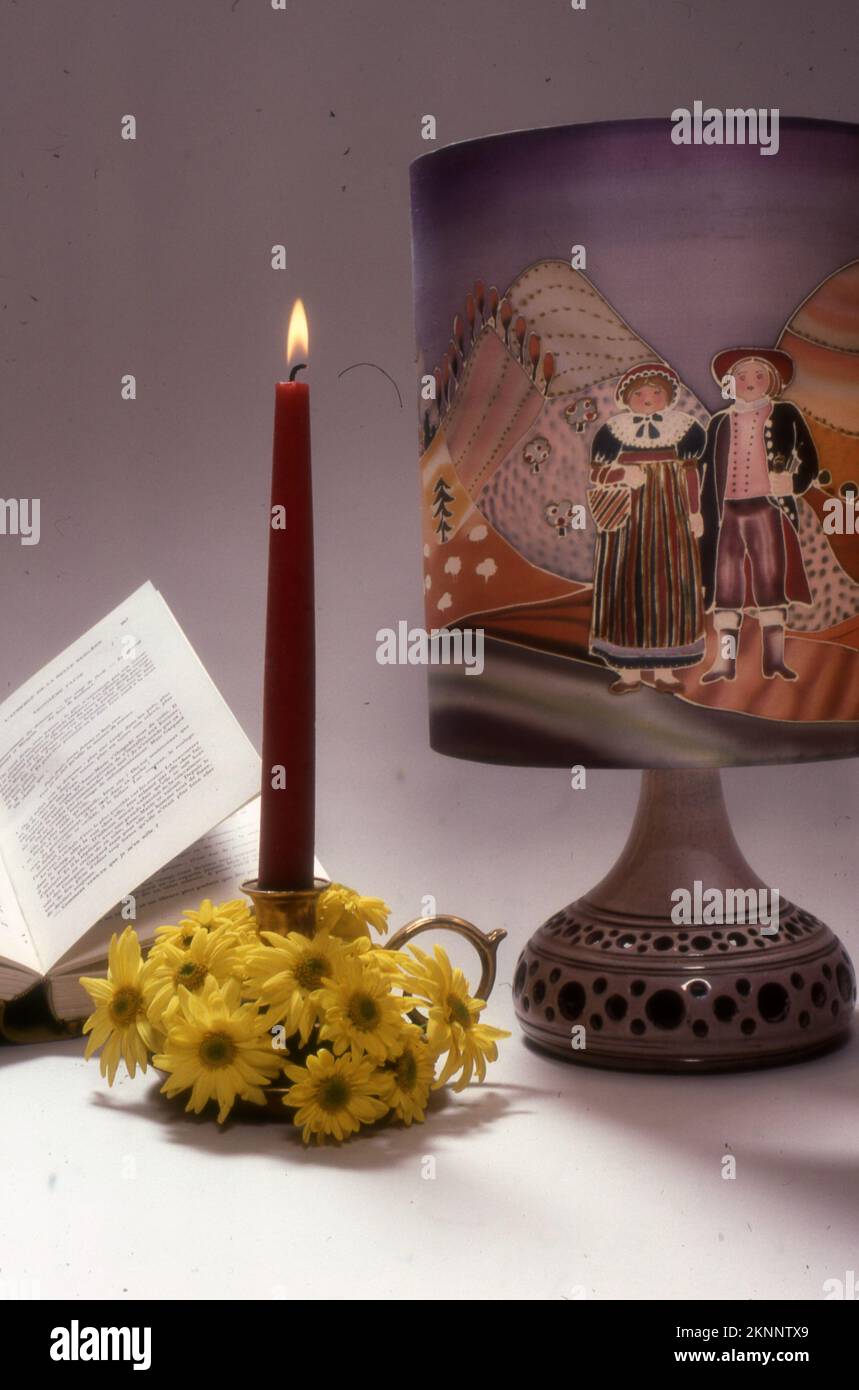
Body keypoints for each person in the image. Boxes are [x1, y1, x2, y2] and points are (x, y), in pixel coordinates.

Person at [588, 362, 707, 694]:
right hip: (628, 519)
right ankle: (628, 671)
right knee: (627, 584)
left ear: (668, 397)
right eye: (639, 393)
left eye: (656, 392)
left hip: (672, 516)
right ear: (627, 398)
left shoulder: (685, 429)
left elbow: (691, 473)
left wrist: (695, 513)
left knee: (670, 582)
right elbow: (596, 473)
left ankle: (663, 671)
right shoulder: (613, 431)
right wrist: (621, 475)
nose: (648, 398)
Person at [699, 349, 816, 683]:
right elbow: (705, 472)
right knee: (726, 586)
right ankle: (725, 662)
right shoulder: (719, 423)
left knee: (770, 580)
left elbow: (809, 461)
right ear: (729, 383)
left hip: (768, 509)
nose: (750, 382)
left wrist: (794, 482)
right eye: (743, 376)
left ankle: (775, 660)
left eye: (759, 376)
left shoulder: (786, 414)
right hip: (727, 516)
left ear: (773, 383)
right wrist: (699, 512)